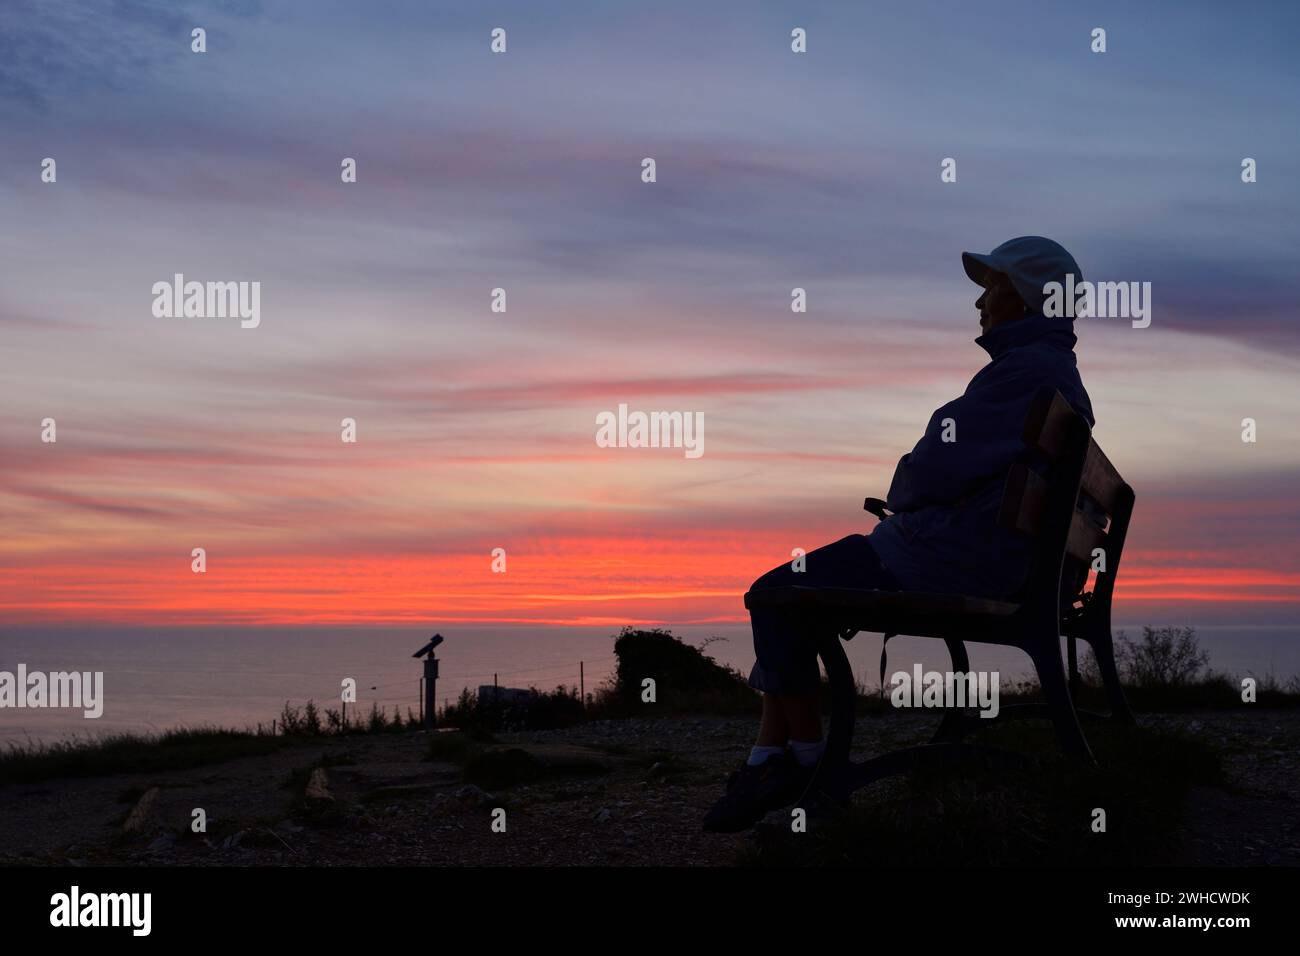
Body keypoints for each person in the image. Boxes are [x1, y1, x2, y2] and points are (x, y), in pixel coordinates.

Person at [702, 236, 1095, 832]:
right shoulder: (1052, 374)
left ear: (1025, 298)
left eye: (991, 287)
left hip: (944, 559)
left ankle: (803, 766)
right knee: (788, 593)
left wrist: (911, 483)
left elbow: (924, 471)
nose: (980, 302)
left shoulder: (1024, 375)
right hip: (983, 556)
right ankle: (772, 759)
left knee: (775, 594)